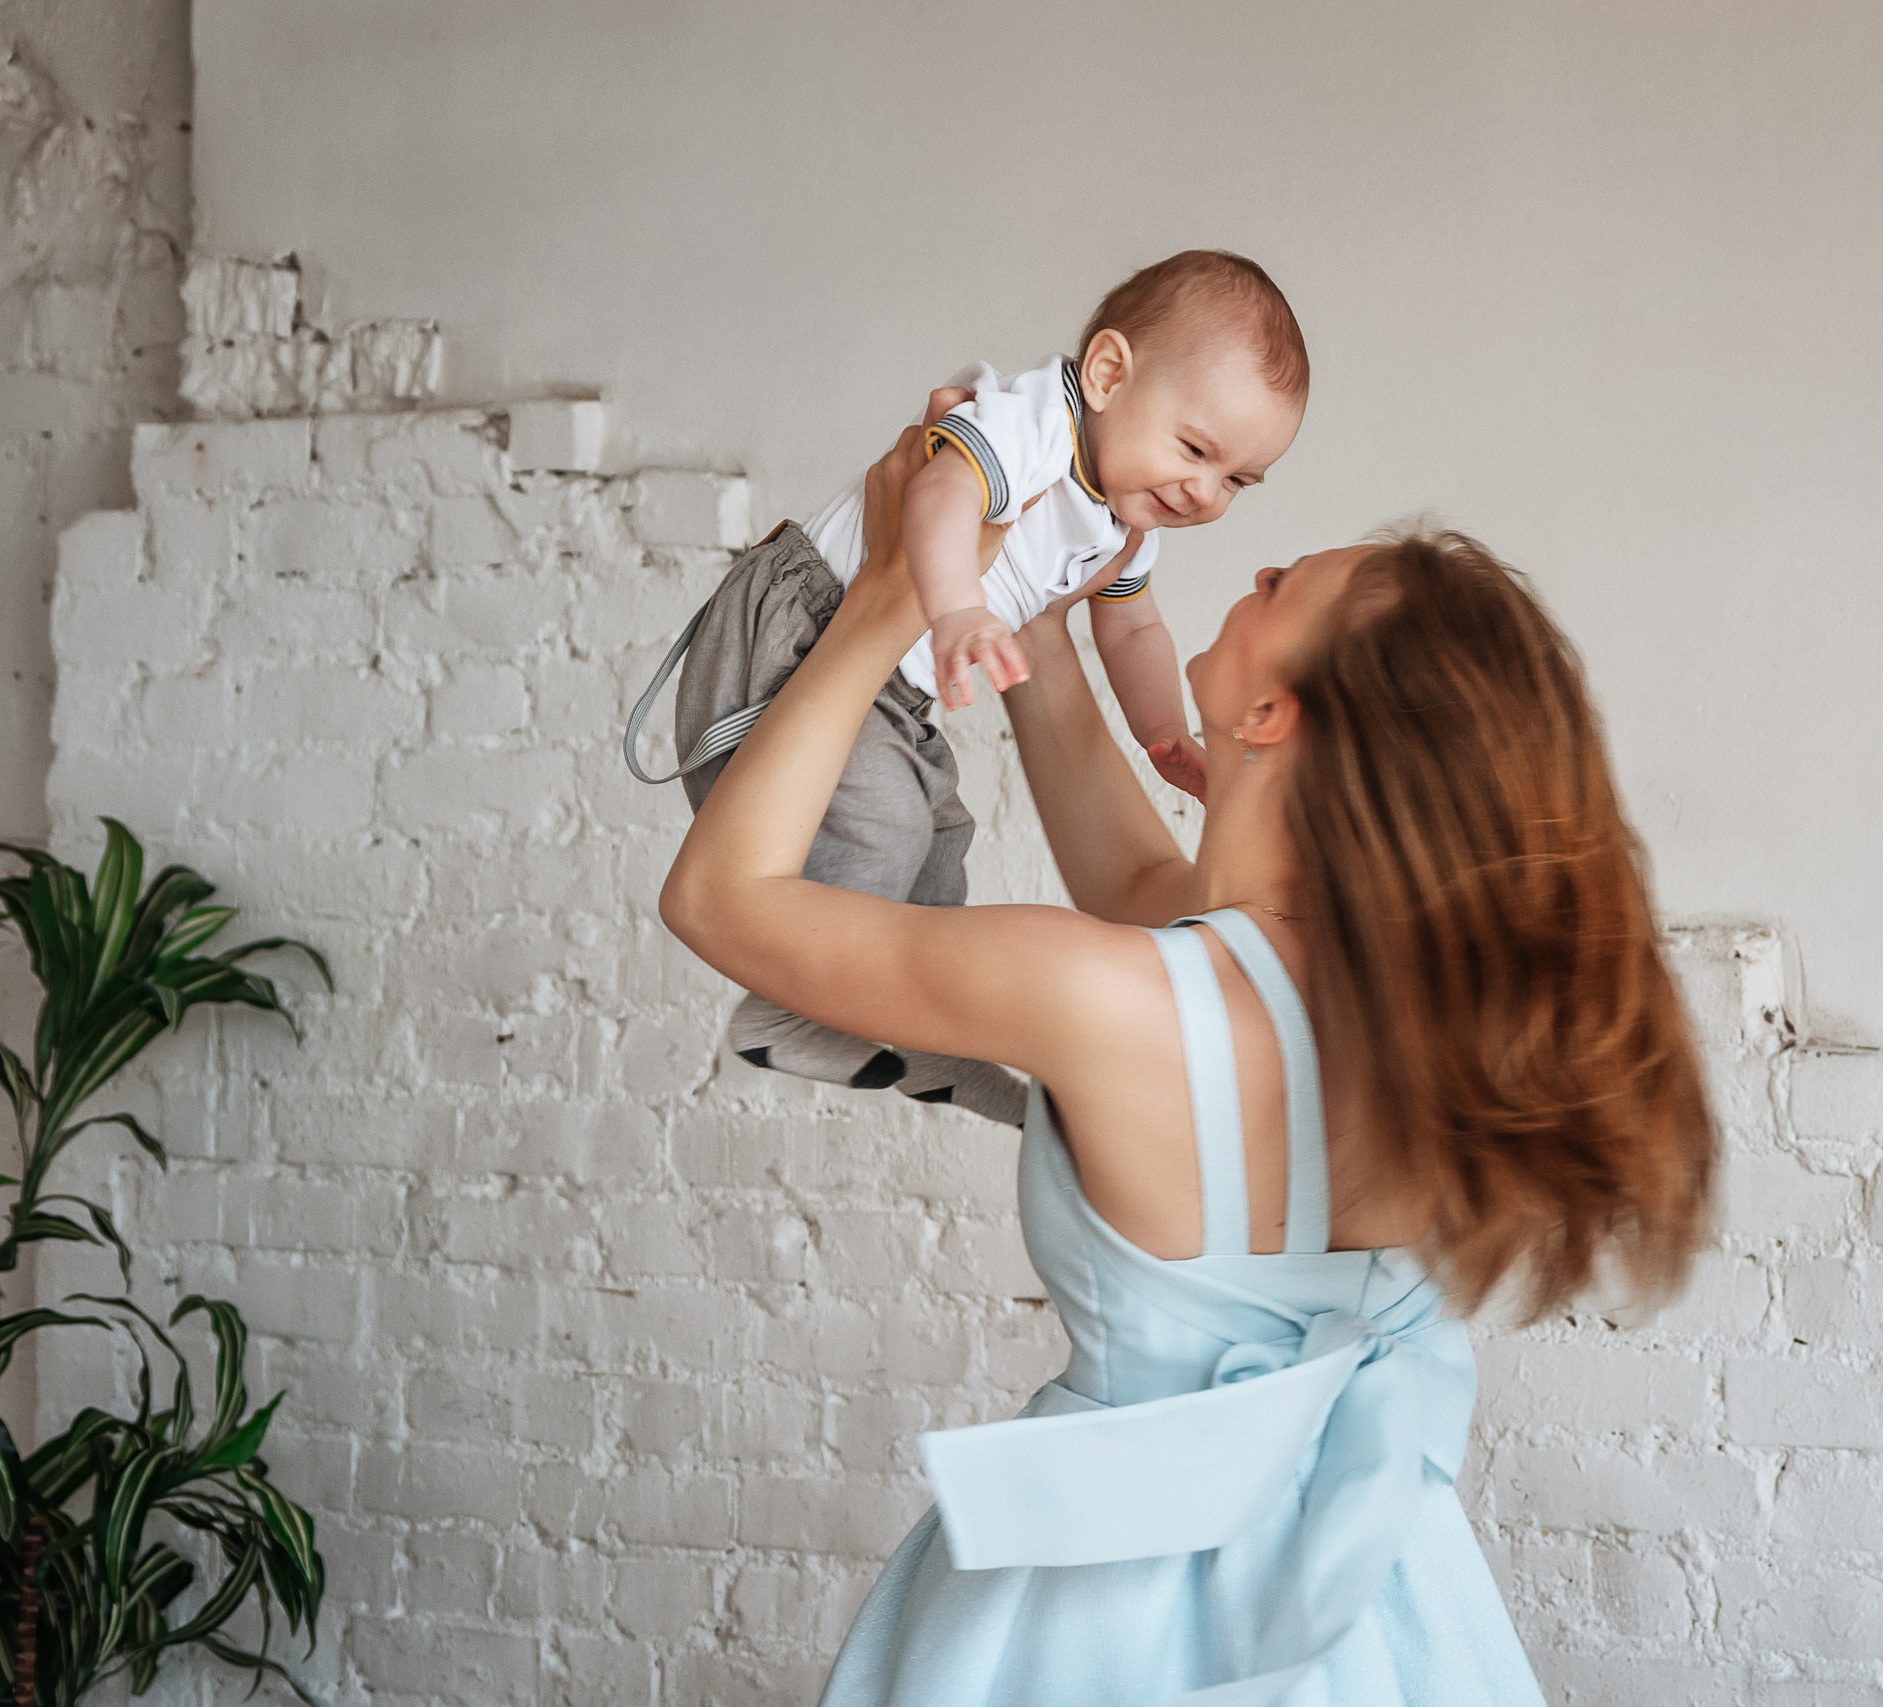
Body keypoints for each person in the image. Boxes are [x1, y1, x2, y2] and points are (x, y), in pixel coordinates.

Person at [661, 399, 1715, 1705]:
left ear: (1269, 710)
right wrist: (1028, 595)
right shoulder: (1390, 1009)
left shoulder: (1110, 996)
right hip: (1369, 1607)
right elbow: (1142, 869)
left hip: (1101, 1599)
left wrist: (888, 596)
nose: (1250, 569)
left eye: (1279, 583)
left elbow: (719, 898)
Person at [717, 251, 1307, 1118]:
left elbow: (1132, 627)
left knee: (940, 844)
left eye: (1237, 482)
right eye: (1196, 450)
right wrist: (954, 608)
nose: (1205, 493)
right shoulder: (1037, 424)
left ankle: (916, 1038)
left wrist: (1163, 735)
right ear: (1107, 372)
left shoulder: (1127, 523)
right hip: (804, 622)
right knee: (883, 825)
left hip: (892, 686)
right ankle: (785, 1009)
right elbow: (940, 493)